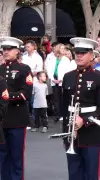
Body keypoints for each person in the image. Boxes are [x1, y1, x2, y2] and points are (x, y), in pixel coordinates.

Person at [61, 37, 100, 180]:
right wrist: (66, 132)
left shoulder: (99, 78)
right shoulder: (68, 77)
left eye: (83, 53)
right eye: (77, 52)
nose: (79, 55)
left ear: (91, 55)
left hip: (92, 133)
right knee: (74, 173)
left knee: (91, 174)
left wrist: (85, 121)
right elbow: (64, 106)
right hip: (72, 134)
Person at [0, 36, 33, 180]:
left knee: (16, 157)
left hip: (17, 117)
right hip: (1, 119)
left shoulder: (24, 69)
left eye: (9, 49)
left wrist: (5, 97)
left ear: (17, 51)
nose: (6, 52)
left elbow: (25, 94)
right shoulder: (0, 69)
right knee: (2, 157)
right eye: (4, 49)